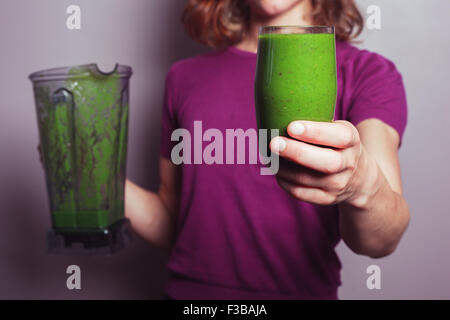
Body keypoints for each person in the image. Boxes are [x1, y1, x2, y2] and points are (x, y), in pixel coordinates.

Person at [125, 0, 410, 299]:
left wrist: (361, 186)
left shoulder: (367, 73)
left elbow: (381, 240)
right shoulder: (183, 78)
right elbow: (173, 221)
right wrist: (95, 173)